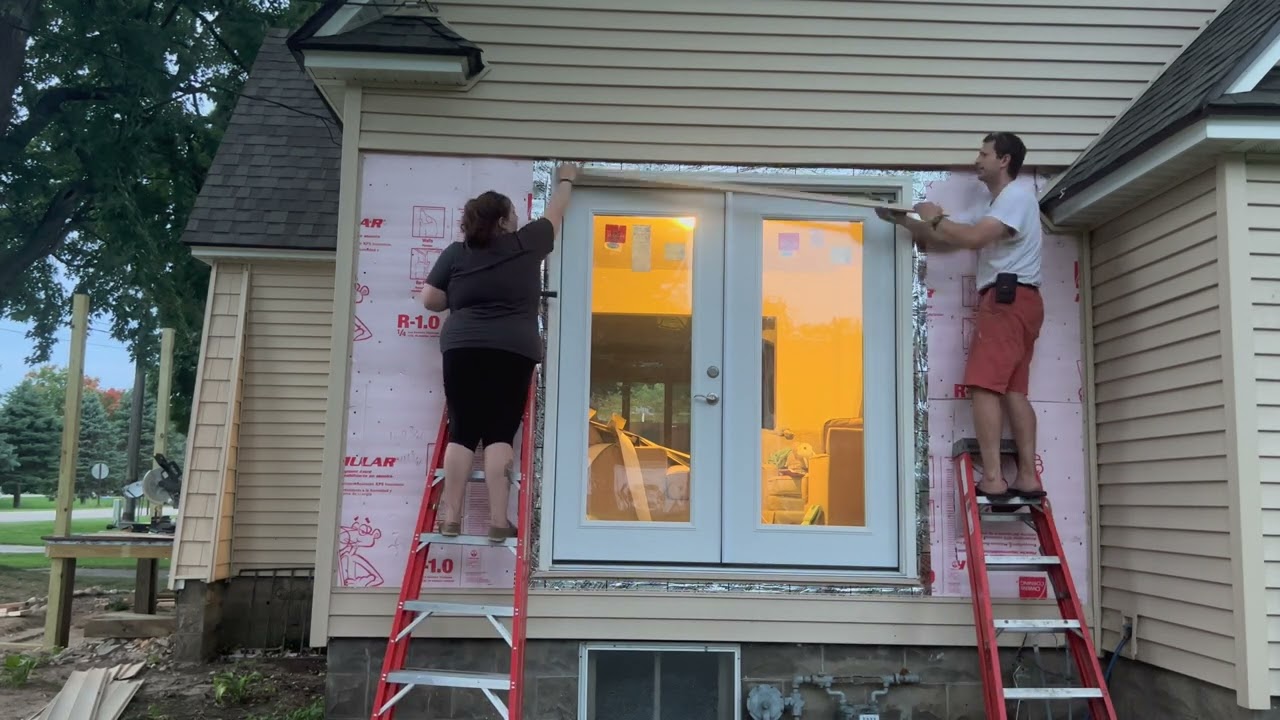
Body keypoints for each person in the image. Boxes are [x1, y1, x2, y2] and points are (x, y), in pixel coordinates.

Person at [877, 132, 1045, 500]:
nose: (977, 159)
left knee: (985, 386)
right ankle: (1028, 478)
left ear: (1004, 160)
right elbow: (947, 237)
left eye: (984, 153)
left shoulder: (1015, 197)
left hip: (1007, 301)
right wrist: (905, 221)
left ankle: (995, 480)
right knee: (1014, 391)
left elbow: (972, 238)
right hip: (1021, 300)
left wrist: (935, 217)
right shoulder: (997, 203)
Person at [419, 163, 579, 542]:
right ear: (506, 221)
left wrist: (461, 297)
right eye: (514, 213)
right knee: (499, 434)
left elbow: (430, 300)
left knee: (462, 431)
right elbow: (556, 212)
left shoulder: (457, 253)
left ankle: (451, 517)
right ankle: (496, 520)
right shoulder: (527, 242)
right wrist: (568, 179)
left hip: (463, 348)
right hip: (512, 350)